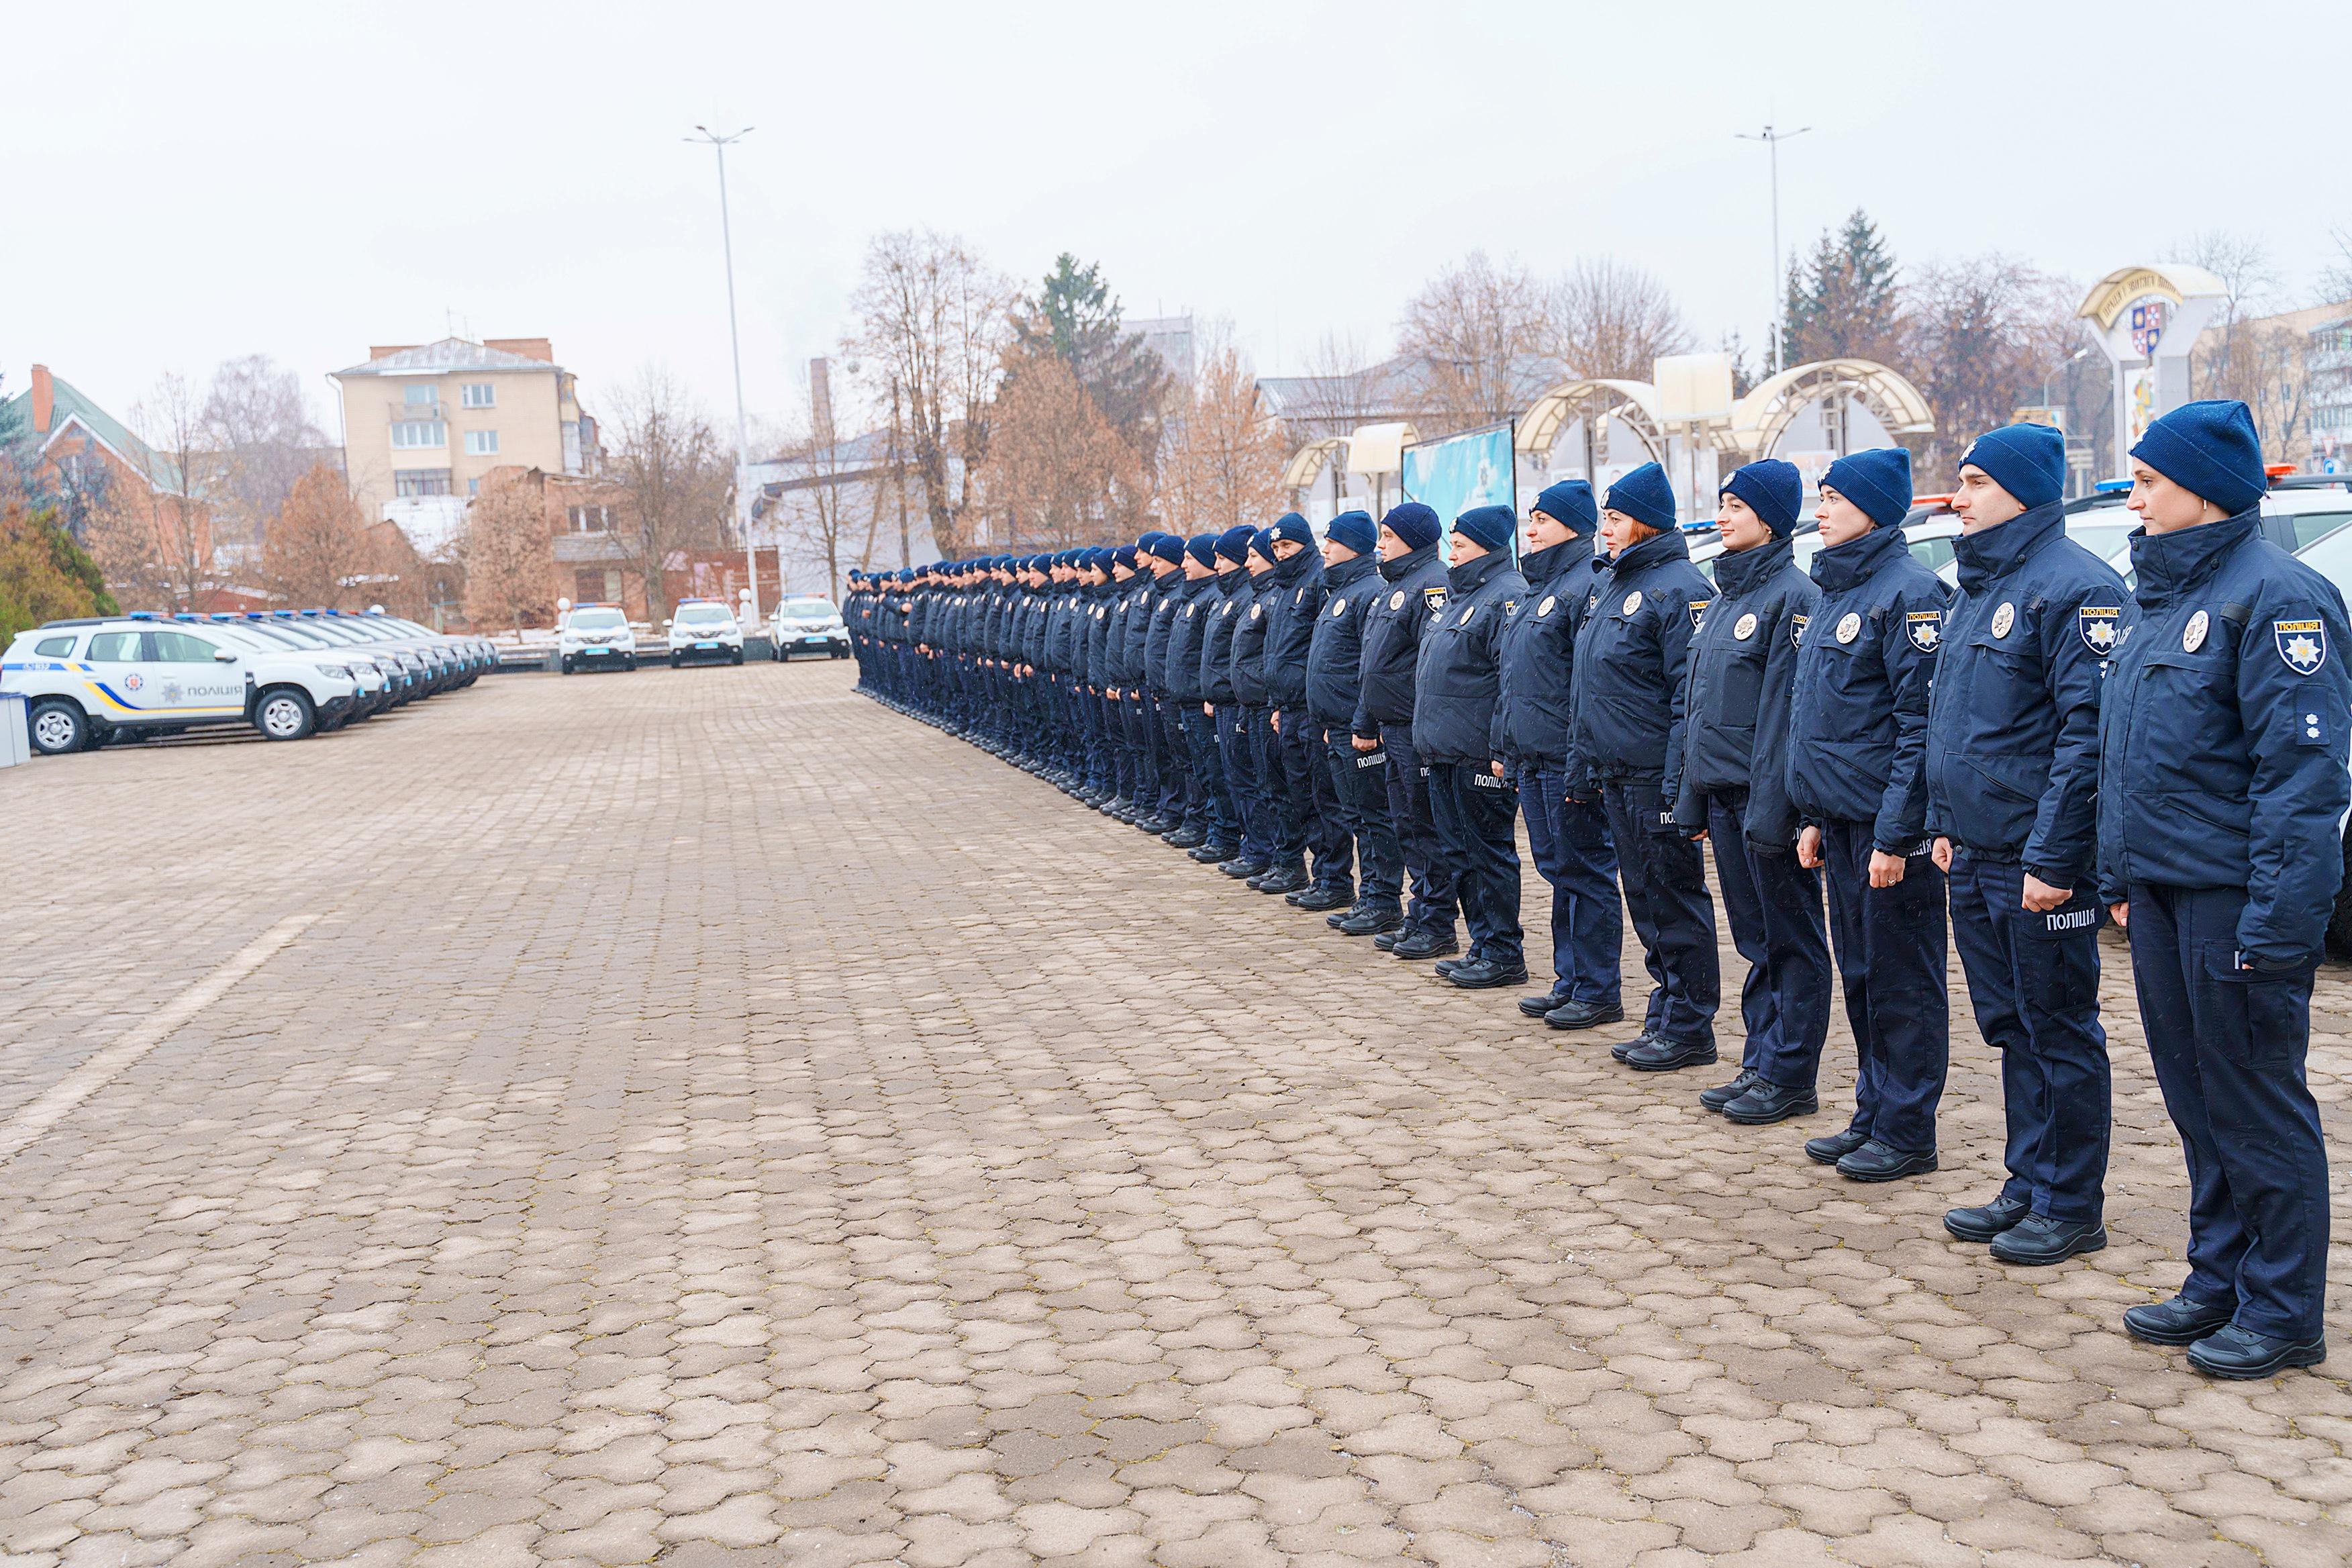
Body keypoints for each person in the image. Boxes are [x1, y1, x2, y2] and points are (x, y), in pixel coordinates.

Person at [2099, 399, 2348, 1378]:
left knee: (2256, 1102)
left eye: (2152, 479)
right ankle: (2220, 1278)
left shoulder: (2280, 599)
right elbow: (2129, 756)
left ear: (2203, 490)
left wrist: (2280, 927)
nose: (2137, 493)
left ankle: (2285, 1308)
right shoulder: (2158, 599)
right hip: (2163, 893)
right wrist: (2118, 874)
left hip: (2234, 898)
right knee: (2197, 1097)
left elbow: (2303, 784)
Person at [1928, 423, 2125, 1265]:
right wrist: (1943, 823)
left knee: (2060, 1026)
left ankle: (2072, 1200)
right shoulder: (1980, 582)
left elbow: (2087, 739)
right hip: (1974, 852)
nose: (1957, 498)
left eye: (1973, 482)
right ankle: (2029, 1179)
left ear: (2022, 491)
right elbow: (1956, 722)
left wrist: (2052, 859)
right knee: (2011, 1025)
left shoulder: (2077, 588)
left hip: (2035, 862)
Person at [1787, 446, 1952, 1182]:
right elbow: (1825, 719)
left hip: (1892, 835)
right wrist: (1819, 814)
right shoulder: (1837, 592)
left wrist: (1897, 833)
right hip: (1846, 823)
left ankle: (1909, 1127)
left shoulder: (1912, 593)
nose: (1819, 510)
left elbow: (1918, 728)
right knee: (1859, 972)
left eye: (1832, 498)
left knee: (1902, 980)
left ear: (1875, 508)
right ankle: (1873, 1110)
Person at [1667, 460, 1829, 1122]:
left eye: (1736, 505)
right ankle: (1761, 1060)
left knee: (1790, 940)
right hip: (1728, 797)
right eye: (1721, 504)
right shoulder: (1727, 598)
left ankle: (1791, 1073)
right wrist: (1695, 796)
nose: (1723, 516)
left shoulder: (1793, 597)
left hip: (1771, 804)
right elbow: (1701, 708)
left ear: (1769, 518)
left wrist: (1775, 810)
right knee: (1755, 941)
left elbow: (1784, 719)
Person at [1566, 462, 1718, 1069]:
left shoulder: (1681, 588)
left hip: (1656, 777)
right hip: (1616, 774)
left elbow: (1690, 698)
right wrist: (1583, 768)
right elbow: (1588, 689)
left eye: (1616, 518)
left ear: (1647, 524)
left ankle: (1690, 1026)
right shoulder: (1612, 585)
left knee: (1674, 899)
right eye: (1604, 517)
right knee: (1646, 900)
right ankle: (1666, 1011)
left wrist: (1681, 786)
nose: (1605, 529)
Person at [1496, 481, 1622, 1029]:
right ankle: (1569, 978)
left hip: (1565, 761)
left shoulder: (1583, 586)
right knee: (1559, 871)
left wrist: (1579, 763)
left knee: (1586, 871)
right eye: (1531, 520)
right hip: (1534, 758)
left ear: (1572, 526)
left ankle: (1598, 989)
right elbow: (1516, 679)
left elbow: (1583, 689)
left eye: (1542, 521)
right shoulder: (1537, 588)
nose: (1531, 531)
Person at [1411, 503, 1530, 987]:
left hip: (1480, 754)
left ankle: (1504, 952)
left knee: (1489, 854)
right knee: (1460, 854)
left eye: (1459, 545)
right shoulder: (1461, 597)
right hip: (1444, 752)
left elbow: (1511, 680)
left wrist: (1500, 749)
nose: (1450, 554)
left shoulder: (1507, 596)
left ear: (1486, 546)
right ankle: (1483, 944)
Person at [1353, 503, 1460, 960]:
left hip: (1414, 729)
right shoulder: (1395, 585)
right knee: (1406, 825)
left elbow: (1429, 663)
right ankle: (1419, 912)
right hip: (1392, 725)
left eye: (1389, 537)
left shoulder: (1433, 583)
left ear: (1414, 539)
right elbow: (1376, 663)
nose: (1380, 546)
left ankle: (1437, 922)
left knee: (1425, 826)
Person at [1307, 510, 1406, 936]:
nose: (1324, 548)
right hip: (1339, 726)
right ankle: (1370, 896)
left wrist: (1361, 723)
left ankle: (1383, 899)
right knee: (1355, 813)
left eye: (1332, 540)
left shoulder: (1368, 592)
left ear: (1353, 545)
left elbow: (1371, 667)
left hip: (1361, 731)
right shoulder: (1339, 590)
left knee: (1374, 815)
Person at [1259, 513, 1338, 900]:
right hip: (1287, 708)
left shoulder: (1318, 581)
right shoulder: (1282, 588)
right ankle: (1312, 873)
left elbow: (1322, 652)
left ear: (1305, 545)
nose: (1280, 554)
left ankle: (1334, 878)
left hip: (1310, 710)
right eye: (1275, 548)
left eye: (1286, 546)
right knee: (1299, 796)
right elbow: (1277, 652)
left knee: (1324, 798)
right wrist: (1276, 703)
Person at [1194, 525, 1259, 867]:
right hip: (1221, 701)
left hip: (1239, 704)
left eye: (1223, 558)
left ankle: (1255, 849)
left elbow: (1245, 658)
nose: (1218, 565)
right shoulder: (1226, 599)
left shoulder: (1247, 598)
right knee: (1229, 777)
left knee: (1246, 781)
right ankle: (1241, 843)